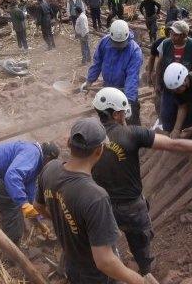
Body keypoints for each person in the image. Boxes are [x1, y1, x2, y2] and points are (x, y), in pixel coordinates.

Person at [91, 88, 192, 274]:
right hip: (130, 206)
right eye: (123, 112)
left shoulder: (89, 136)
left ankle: (112, 265)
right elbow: (174, 144)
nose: (125, 116)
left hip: (100, 204)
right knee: (141, 241)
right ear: (115, 114)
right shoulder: (132, 134)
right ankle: (145, 269)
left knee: (105, 241)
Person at [35, 118, 147, 284]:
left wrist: (65, 222)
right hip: (95, 276)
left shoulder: (50, 169)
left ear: (68, 143)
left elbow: (38, 206)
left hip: (72, 265)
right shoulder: (95, 197)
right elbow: (105, 261)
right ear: (99, 150)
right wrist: (140, 281)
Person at [0, 140, 60, 244]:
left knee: (15, 197)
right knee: (12, 204)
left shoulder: (35, 165)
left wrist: (39, 224)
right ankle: (13, 248)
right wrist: (23, 203)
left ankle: (10, 229)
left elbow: (30, 198)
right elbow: (12, 176)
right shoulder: (33, 153)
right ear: (48, 158)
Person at [81, 20, 143, 125]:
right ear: (111, 37)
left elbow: (132, 78)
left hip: (125, 91)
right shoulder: (104, 43)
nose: (118, 46)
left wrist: (128, 103)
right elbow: (97, 63)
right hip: (108, 88)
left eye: (121, 44)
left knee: (131, 122)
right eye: (116, 43)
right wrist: (89, 81)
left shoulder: (135, 51)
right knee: (110, 121)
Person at [151, 21, 192, 132]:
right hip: (169, 87)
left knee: (188, 115)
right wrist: (157, 83)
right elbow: (159, 64)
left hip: (188, 89)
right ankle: (168, 132)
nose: (172, 36)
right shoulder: (165, 44)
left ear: (184, 35)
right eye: (172, 33)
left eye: (176, 34)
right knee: (167, 114)